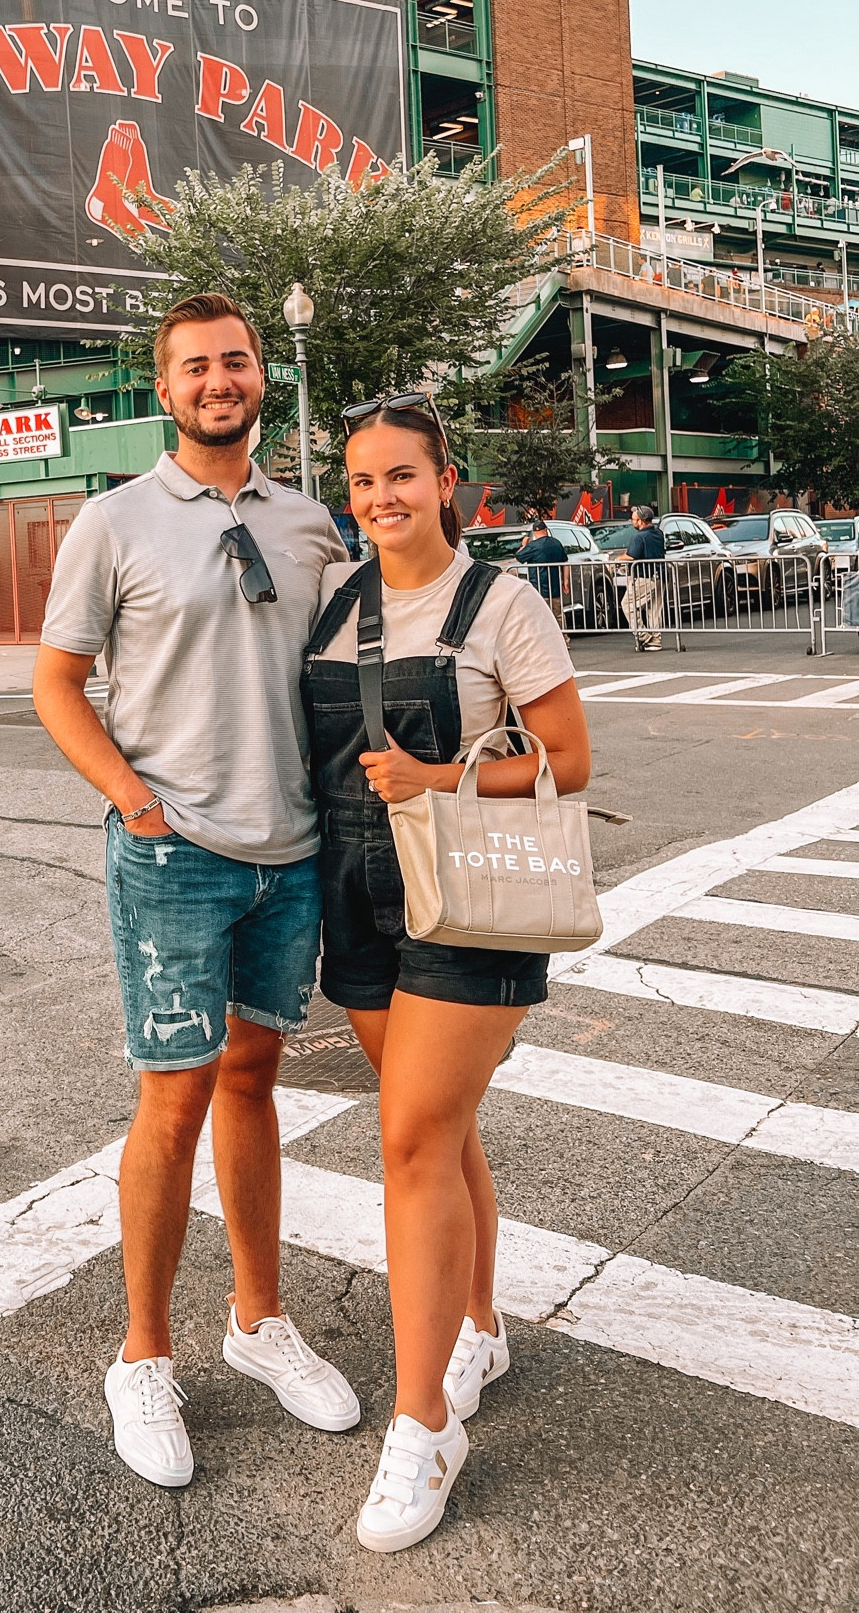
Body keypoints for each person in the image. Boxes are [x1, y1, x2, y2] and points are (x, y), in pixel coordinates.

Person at [34, 291, 359, 1492]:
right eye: (195, 366)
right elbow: (57, 681)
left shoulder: (311, 522)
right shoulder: (113, 522)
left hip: (291, 851)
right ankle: (144, 1351)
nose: (219, 379)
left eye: (236, 360)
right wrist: (132, 797)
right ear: (162, 388)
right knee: (170, 1097)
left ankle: (258, 1317)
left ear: (260, 375)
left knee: (256, 1082)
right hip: (174, 853)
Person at [304, 393, 590, 1552]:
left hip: (472, 901)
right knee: (443, 1129)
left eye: (402, 476)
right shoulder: (336, 605)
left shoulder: (503, 603)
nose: (381, 498)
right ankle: (480, 1320)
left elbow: (569, 757)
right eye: (363, 481)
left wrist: (434, 775)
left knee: (414, 1135)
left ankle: (421, 1424)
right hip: (360, 897)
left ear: (446, 478)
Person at [621, 502, 666, 650]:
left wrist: (617, 559)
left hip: (644, 577)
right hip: (660, 575)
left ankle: (643, 635)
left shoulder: (639, 537)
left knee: (627, 604)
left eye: (634, 519)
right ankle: (656, 640)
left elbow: (631, 556)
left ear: (641, 520)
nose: (632, 522)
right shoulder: (658, 533)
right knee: (654, 610)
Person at [517, 514, 568, 617]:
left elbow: (518, 557)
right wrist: (565, 581)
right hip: (555, 588)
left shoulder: (533, 546)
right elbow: (565, 562)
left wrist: (523, 545)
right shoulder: (556, 543)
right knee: (558, 615)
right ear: (546, 530)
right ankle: (562, 633)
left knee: (542, 616)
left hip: (539, 589)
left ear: (535, 533)